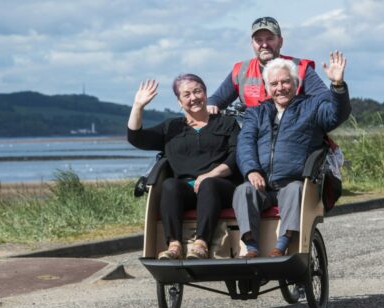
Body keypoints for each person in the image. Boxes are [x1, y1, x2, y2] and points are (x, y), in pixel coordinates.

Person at [233, 51, 351, 258]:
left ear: (295, 83)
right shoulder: (256, 113)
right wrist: (251, 170)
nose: (280, 88)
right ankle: (251, 247)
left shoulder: (311, 107)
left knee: (294, 189)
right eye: (274, 84)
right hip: (262, 186)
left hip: (293, 183)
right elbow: (245, 143)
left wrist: (338, 86)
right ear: (267, 88)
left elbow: (336, 115)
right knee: (243, 191)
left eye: (285, 82)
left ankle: (282, 245)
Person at [127, 74, 241, 259]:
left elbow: (236, 156)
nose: (193, 98)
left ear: (205, 93)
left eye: (197, 91)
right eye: (186, 94)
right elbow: (136, 138)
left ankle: (201, 243)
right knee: (169, 185)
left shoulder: (226, 123)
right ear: (179, 102)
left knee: (208, 184)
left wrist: (211, 174)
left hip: (221, 187)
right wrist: (138, 106)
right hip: (186, 191)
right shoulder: (171, 127)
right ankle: (174, 245)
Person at [207, 16, 329, 112]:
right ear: (252, 43)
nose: (264, 45)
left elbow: (325, 100)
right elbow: (217, 99)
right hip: (252, 134)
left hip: (292, 134)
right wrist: (211, 105)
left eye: (270, 39)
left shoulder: (300, 68)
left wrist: (337, 85)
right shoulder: (241, 71)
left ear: (280, 41)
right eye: (258, 40)